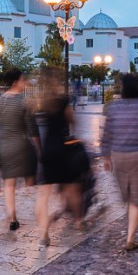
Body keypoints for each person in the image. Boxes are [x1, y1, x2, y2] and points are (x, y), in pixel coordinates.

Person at [101, 73, 138, 251]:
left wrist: (105, 155)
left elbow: (106, 133)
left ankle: (129, 223)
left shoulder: (113, 108)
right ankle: (130, 238)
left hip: (119, 156)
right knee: (137, 198)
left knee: (126, 196)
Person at [36, 72, 87, 246]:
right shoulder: (63, 101)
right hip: (63, 148)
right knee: (72, 187)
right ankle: (79, 220)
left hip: (47, 150)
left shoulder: (42, 102)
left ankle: (43, 234)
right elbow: (73, 121)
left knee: (43, 195)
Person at [0, 68, 40, 232]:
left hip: (4, 146)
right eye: (22, 80)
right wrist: (39, 149)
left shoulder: (1, 101)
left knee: (9, 184)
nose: (24, 83)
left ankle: (13, 218)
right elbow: (32, 129)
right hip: (21, 146)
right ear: (15, 82)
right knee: (31, 180)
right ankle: (37, 211)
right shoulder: (25, 101)